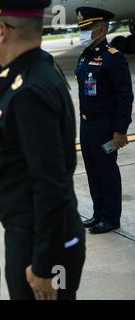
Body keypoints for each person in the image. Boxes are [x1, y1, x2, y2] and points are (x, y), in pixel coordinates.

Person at [0, 0, 86, 300]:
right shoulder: (27, 76)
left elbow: (51, 185)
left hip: (39, 244)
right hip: (32, 235)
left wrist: (44, 265)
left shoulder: (29, 93)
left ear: (1, 31)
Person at [75, 7, 133, 234]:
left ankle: (110, 218)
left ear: (99, 29)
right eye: (81, 28)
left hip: (105, 126)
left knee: (107, 171)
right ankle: (98, 213)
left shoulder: (113, 57)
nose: (83, 32)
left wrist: (120, 129)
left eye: (86, 28)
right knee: (92, 170)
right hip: (87, 124)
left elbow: (125, 95)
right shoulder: (85, 56)